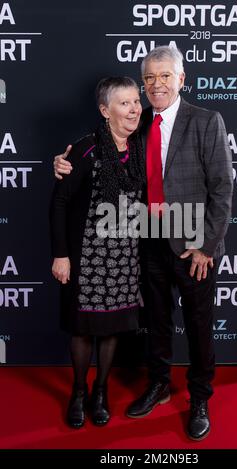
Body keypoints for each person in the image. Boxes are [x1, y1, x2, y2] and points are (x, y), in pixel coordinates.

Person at [53, 46, 233, 441]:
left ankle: (200, 397)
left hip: (192, 245)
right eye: (149, 78)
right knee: (157, 323)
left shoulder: (206, 121)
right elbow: (102, 144)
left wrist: (205, 245)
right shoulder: (138, 120)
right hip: (147, 242)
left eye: (165, 76)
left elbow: (222, 188)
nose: (156, 85)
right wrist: (64, 161)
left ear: (181, 79)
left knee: (200, 325)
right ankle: (159, 384)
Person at [50, 76, 145, 429]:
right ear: (105, 111)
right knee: (82, 330)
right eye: (124, 103)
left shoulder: (140, 146)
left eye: (136, 101)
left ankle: (100, 392)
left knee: (111, 329)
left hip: (125, 258)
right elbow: (59, 202)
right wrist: (61, 254)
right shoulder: (85, 150)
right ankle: (78, 392)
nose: (134, 108)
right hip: (86, 257)